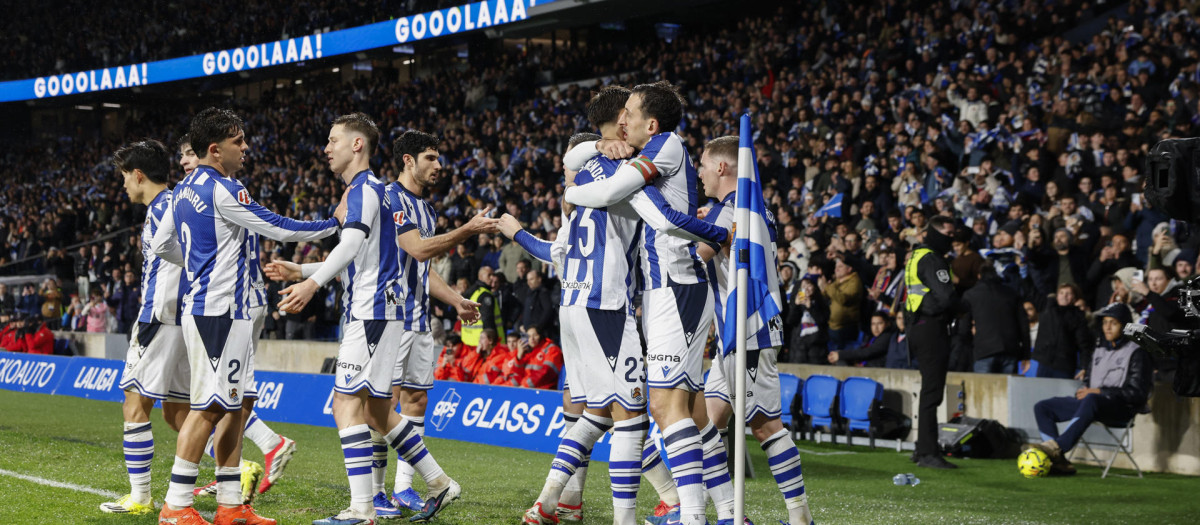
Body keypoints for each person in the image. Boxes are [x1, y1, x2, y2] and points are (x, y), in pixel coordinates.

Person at [153, 107, 340, 525]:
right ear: (216, 150)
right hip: (221, 312)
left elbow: (161, 245)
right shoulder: (223, 188)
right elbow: (277, 226)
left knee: (234, 406)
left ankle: (231, 503)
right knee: (208, 407)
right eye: (239, 141)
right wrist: (334, 224)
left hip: (212, 309)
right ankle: (176, 506)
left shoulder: (183, 189)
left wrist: (199, 263)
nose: (246, 147)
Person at [561, 82, 733, 525]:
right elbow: (578, 160)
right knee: (689, 412)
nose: (626, 121)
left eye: (631, 113)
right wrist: (597, 149)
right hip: (661, 292)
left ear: (650, 124)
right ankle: (727, 511)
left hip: (676, 287)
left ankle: (691, 514)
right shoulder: (651, 150)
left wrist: (571, 192)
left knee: (664, 407)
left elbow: (607, 196)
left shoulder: (666, 145)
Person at [372, 129, 495, 518]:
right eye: (430, 158)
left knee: (416, 400)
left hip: (421, 318)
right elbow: (417, 248)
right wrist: (467, 231)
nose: (438, 166)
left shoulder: (428, 210)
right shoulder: (390, 197)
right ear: (408, 160)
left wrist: (457, 300)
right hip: (391, 317)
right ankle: (374, 493)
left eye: (438, 158)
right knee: (380, 403)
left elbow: (423, 268)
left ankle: (404, 488)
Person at [696, 135, 816, 525]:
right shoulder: (751, 209)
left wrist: (680, 231)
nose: (698, 172)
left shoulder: (728, 212)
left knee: (765, 426)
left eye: (702, 164)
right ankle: (729, 513)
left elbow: (694, 260)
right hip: (739, 334)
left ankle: (800, 518)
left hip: (747, 331)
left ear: (721, 167)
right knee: (706, 423)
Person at [97, 140, 191, 516]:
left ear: (139, 175)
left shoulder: (163, 210)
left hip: (159, 318)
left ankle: (139, 497)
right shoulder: (178, 206)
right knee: (179, 412)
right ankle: (233, 470)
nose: (123, 185)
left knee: (134, 404)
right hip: (185, 321)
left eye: (124, 177)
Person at [1029, 303, 1152, 475]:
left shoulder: (1138, 353)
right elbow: (1089, 382)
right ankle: (1059, 463)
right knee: (1043, 407)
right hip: (1092, 404)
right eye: (1105, 322)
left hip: (1121, 409)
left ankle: (1056, 447)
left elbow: (1137, 394)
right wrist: (1084, 390)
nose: (1107, 327)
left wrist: (1100, 392)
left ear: (1125, 326)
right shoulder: (1099, 349)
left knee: (1091, 399)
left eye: (1113, 323)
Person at [903, 214, 960, 469]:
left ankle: (921, 448)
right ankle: (928, 452)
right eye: (948, 234)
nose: (952, 239)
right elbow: (947, 297)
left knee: (928, 391)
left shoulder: (916, 255)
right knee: (932, 393)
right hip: (931, 329)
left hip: (918, 327)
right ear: (935, 233)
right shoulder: (932, 258)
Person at [961, 266, 1030, 374]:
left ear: (979, 276)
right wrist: (1026, 354)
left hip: (983, 351)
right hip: (1010, 350)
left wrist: (972, 347)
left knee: (984, 390)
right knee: (1007, 390)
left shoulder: (970, 295)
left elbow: (964, 327)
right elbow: (1024, 325)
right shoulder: (1011, 293)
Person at [1032, 284, 1093, 379]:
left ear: (1074, 298)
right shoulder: (1048, 308)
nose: (1064, 296)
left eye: (1068, 293)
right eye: (1061, 293)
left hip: (1064, 367)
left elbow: (1084, 345)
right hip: (1045, 363)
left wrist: (1084, 366)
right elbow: (1031, 292)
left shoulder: (1079, 317)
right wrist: (1024, 273)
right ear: (1057, 296)